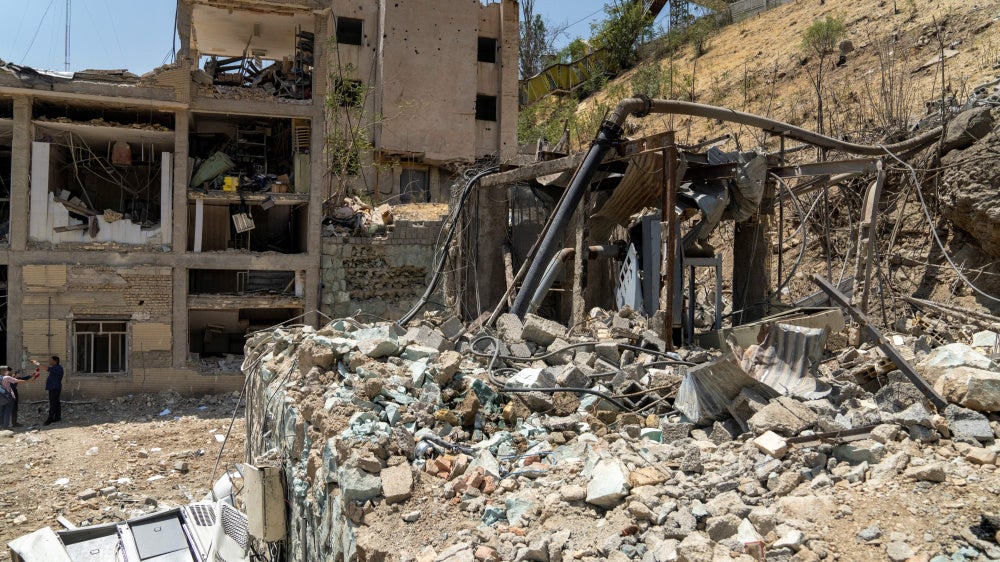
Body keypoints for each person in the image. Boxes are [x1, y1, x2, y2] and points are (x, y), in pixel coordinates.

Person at [35, 356, 63, 425]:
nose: (49, 361)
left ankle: (50, 419)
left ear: (55, 361)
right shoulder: (58, 368)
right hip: (55, 388)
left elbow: (46, 368)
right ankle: (57, 417)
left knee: (53, 403)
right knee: (56, 403)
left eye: (51, 360)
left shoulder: (57, 368)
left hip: (54, 388)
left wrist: (37, 363)